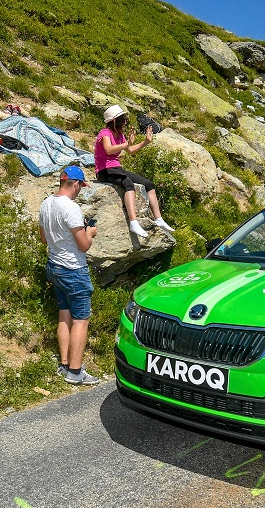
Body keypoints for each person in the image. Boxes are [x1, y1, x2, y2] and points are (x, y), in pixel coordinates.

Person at [38, 166, 100, 386]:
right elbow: (83, 246)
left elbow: (44, 239)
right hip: (73, 270)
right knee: (81, 320)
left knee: (64, 314)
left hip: (54, 266)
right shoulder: (72, 208)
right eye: (81, 186)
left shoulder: (46, 203)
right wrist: (89, 233)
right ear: (75, 183)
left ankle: (64, 364)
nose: (80, 190)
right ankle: (75, 372)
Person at [94, 104, 175, 240]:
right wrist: (127, 144)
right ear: (115, 121)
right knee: (128, 184)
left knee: (149, 184)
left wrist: (146, 142)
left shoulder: (120, 135)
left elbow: (130, 150)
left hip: (116, 168)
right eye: (123, 119)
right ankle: (133, 222)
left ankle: (159, 219)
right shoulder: (105, 133)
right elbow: (108, 149)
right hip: (104, 170)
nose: (125, 122)